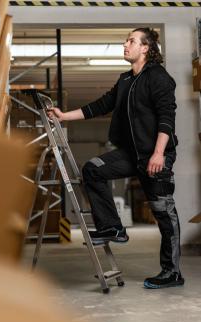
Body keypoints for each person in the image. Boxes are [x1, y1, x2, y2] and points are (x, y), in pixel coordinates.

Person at [48, 27, 184, 289]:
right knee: (93, 170)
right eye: (126, 41)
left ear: (145, 48)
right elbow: (100, 105)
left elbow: (167, 118)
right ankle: (113, 227)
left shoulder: (158, 78)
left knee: (164, 214)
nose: (125, 44)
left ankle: (172, 272)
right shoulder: (125, 80)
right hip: (130, 155)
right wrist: (64, 116)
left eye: (131, 41)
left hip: (156, 156)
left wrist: (158, 153)